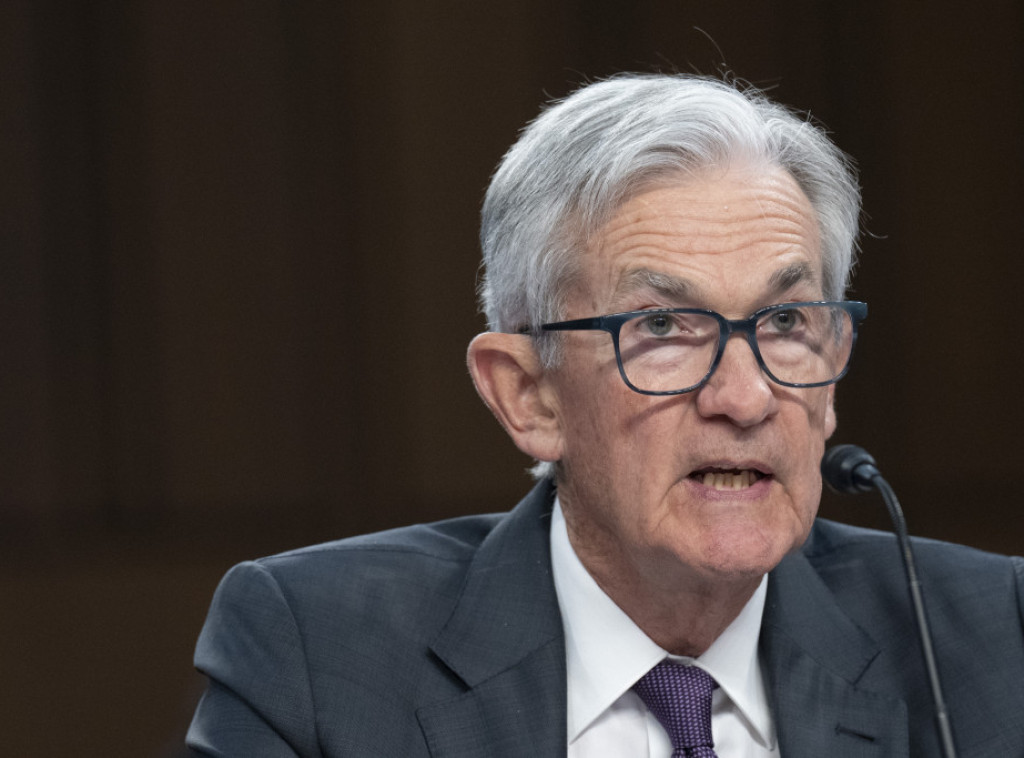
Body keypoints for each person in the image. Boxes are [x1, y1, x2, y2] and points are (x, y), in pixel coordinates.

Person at [186, 74, 1024, 757]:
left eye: (784, 322)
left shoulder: (994, 639)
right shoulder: (321, 655)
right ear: (528, 395)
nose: (745, 398)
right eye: (661, 328)